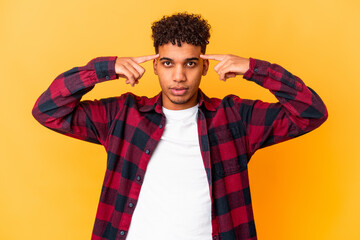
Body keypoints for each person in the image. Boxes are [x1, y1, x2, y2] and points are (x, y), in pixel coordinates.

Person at [32, 12, 328, 240]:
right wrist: (105, 68)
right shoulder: (123, 115)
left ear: (205, 67)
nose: (178, 77)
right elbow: (48, 110)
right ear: (155, 66)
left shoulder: (234, 118)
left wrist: (254, 68)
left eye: (190, 63)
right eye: (168, 63)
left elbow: (311, 112)